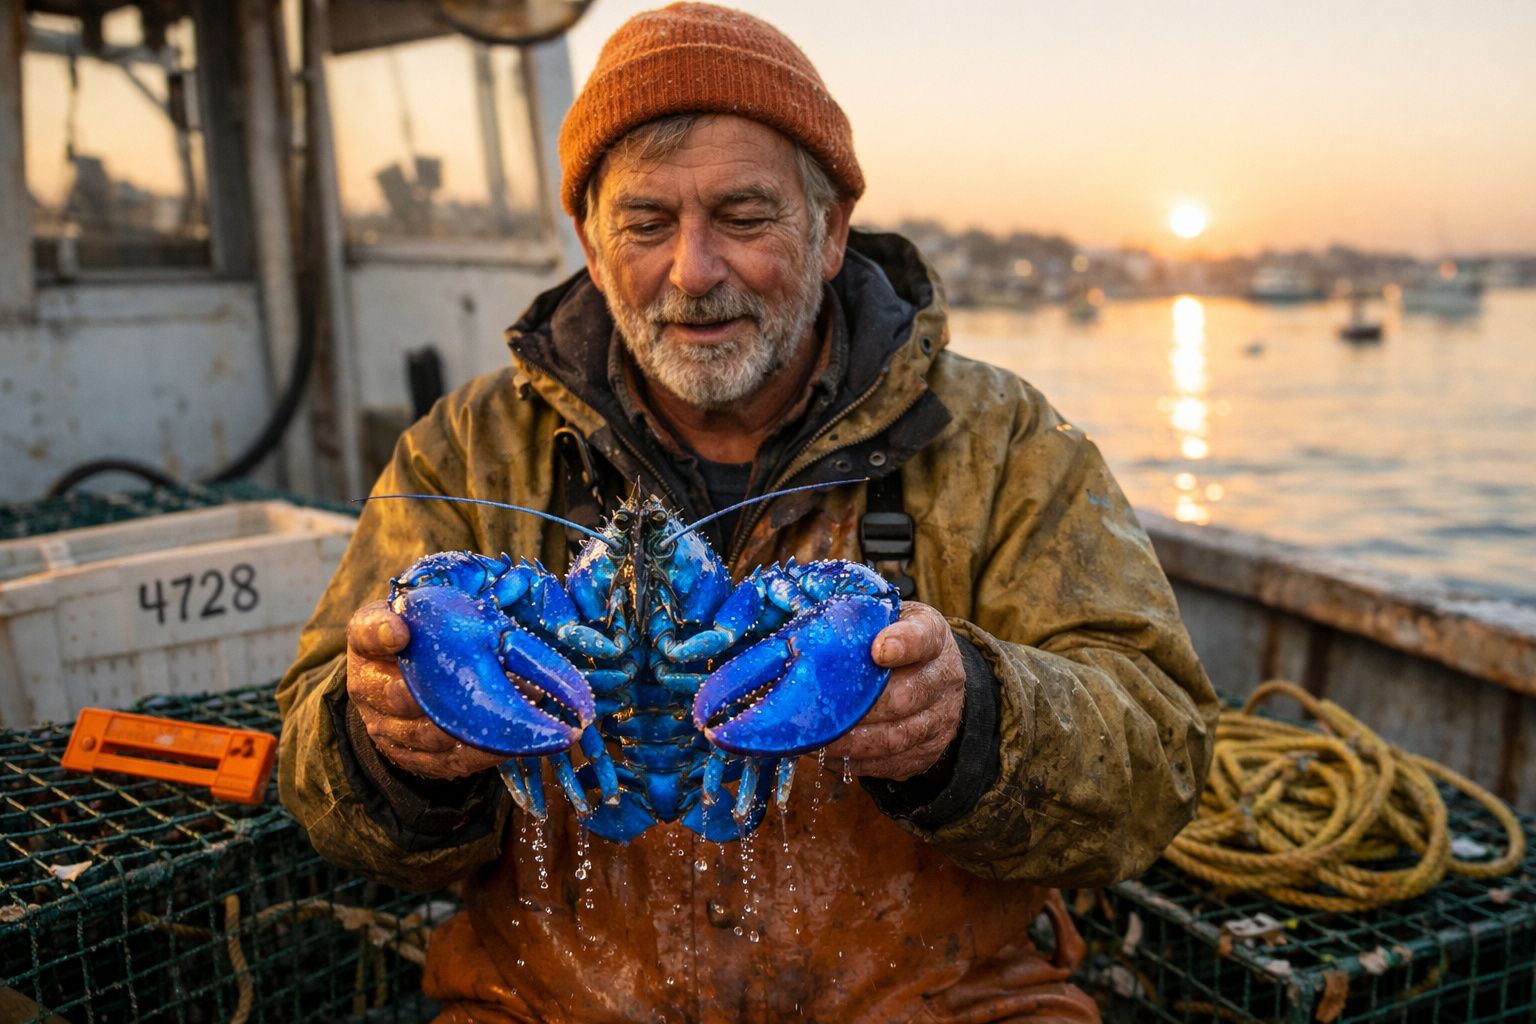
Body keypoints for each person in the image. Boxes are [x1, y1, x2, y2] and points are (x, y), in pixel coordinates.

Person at [277, 4, 1219, 1021]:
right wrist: (390, 745)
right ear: (590, 245)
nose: (694, 271)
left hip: (946, 1004)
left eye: (743, 216)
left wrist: (971, 719)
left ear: (829, 232)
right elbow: (320, 782)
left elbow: (1160, 753)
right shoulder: (465, 449)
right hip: (542, 1003)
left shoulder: (1003, 441)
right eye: (646, 223)